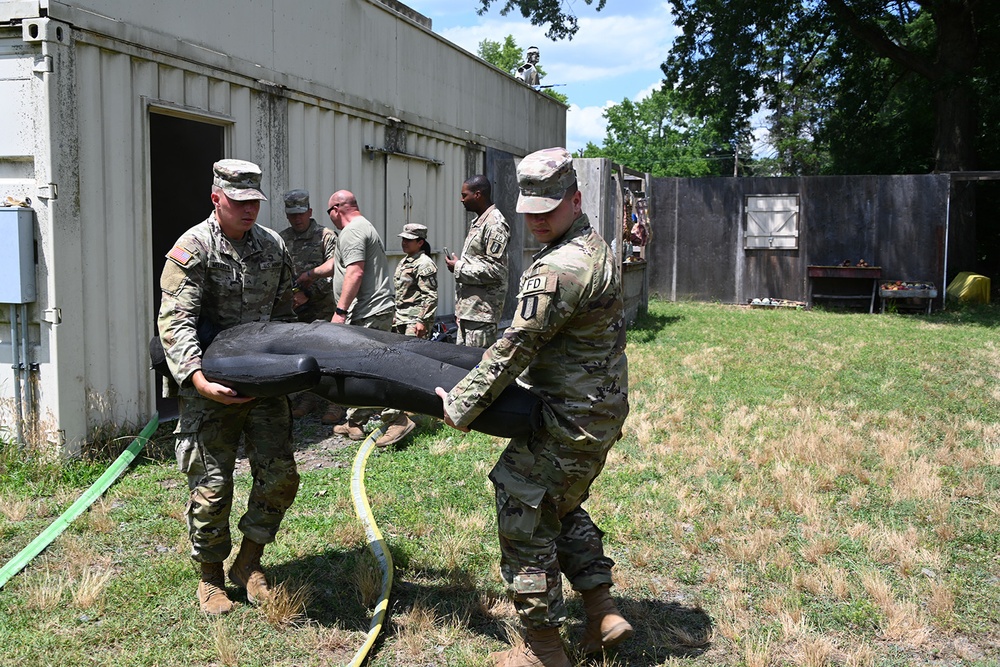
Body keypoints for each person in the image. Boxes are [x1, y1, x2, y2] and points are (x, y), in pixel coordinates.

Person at [436, 148, 632, 666]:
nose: (538, 218)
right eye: (531, 208)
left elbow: (514, 346)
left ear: (576, 198)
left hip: (567, 418)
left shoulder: (560, 268)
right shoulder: (592, 245)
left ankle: (542, 642)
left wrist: (460, 404)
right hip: (598, 410)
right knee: (555, 504)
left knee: (522, 517)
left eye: (549, 206)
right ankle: (601, 607)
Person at [157, 159, 300, 615]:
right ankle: (210, 578)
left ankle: (249, 563)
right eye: (239, 202)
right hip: (209, 386)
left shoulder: (273, 246)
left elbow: (284, 317)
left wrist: (286, 372)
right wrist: (197, 380)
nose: (249, 211)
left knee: (280, 478)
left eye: (254, 202)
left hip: (263, 387)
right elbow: (175, 321)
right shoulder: (193, 248)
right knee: (212, 486)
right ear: (216, 198)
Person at [297, 190, 416, 448]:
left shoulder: (351, 231)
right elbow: (338, 264)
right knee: (360, 368)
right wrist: (311, 274)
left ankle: (396, 419)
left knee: (369, 369)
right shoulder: (360, 228)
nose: (329, 218)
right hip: (373, 310)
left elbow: (355, 271)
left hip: (368, 311)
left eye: (329, 212)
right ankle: (355, 421)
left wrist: (340, 312)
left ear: (337, 209)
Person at [279, 188, 343, 424]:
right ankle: (308, 398)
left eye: (301, 213)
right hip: (297, 310)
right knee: (304, 355)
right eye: (292, 214)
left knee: (332, 355)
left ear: (310, 212)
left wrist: (310, 292)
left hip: (324, 307)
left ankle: (335, 403)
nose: (297, 219)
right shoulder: (282, 238)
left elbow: (337, 269)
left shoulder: (325, 236)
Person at [446, 175, 510, 347]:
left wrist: (459, 267)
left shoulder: (494, 224)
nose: (461, 200)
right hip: (469, 312)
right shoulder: (479, 222)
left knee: (475, 367)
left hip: (481, 314)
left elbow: (497, 270)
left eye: (464, 195)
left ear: (478, 195)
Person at [392, 223, 438, 338]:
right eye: (403, 239)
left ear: (420, 243)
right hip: (401, 319)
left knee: (412, 354)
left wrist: (421, 320)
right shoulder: (404, 262)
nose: (404, 242)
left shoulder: (424, 263)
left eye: (408, 240)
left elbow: (430, 296)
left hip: (414, 321)